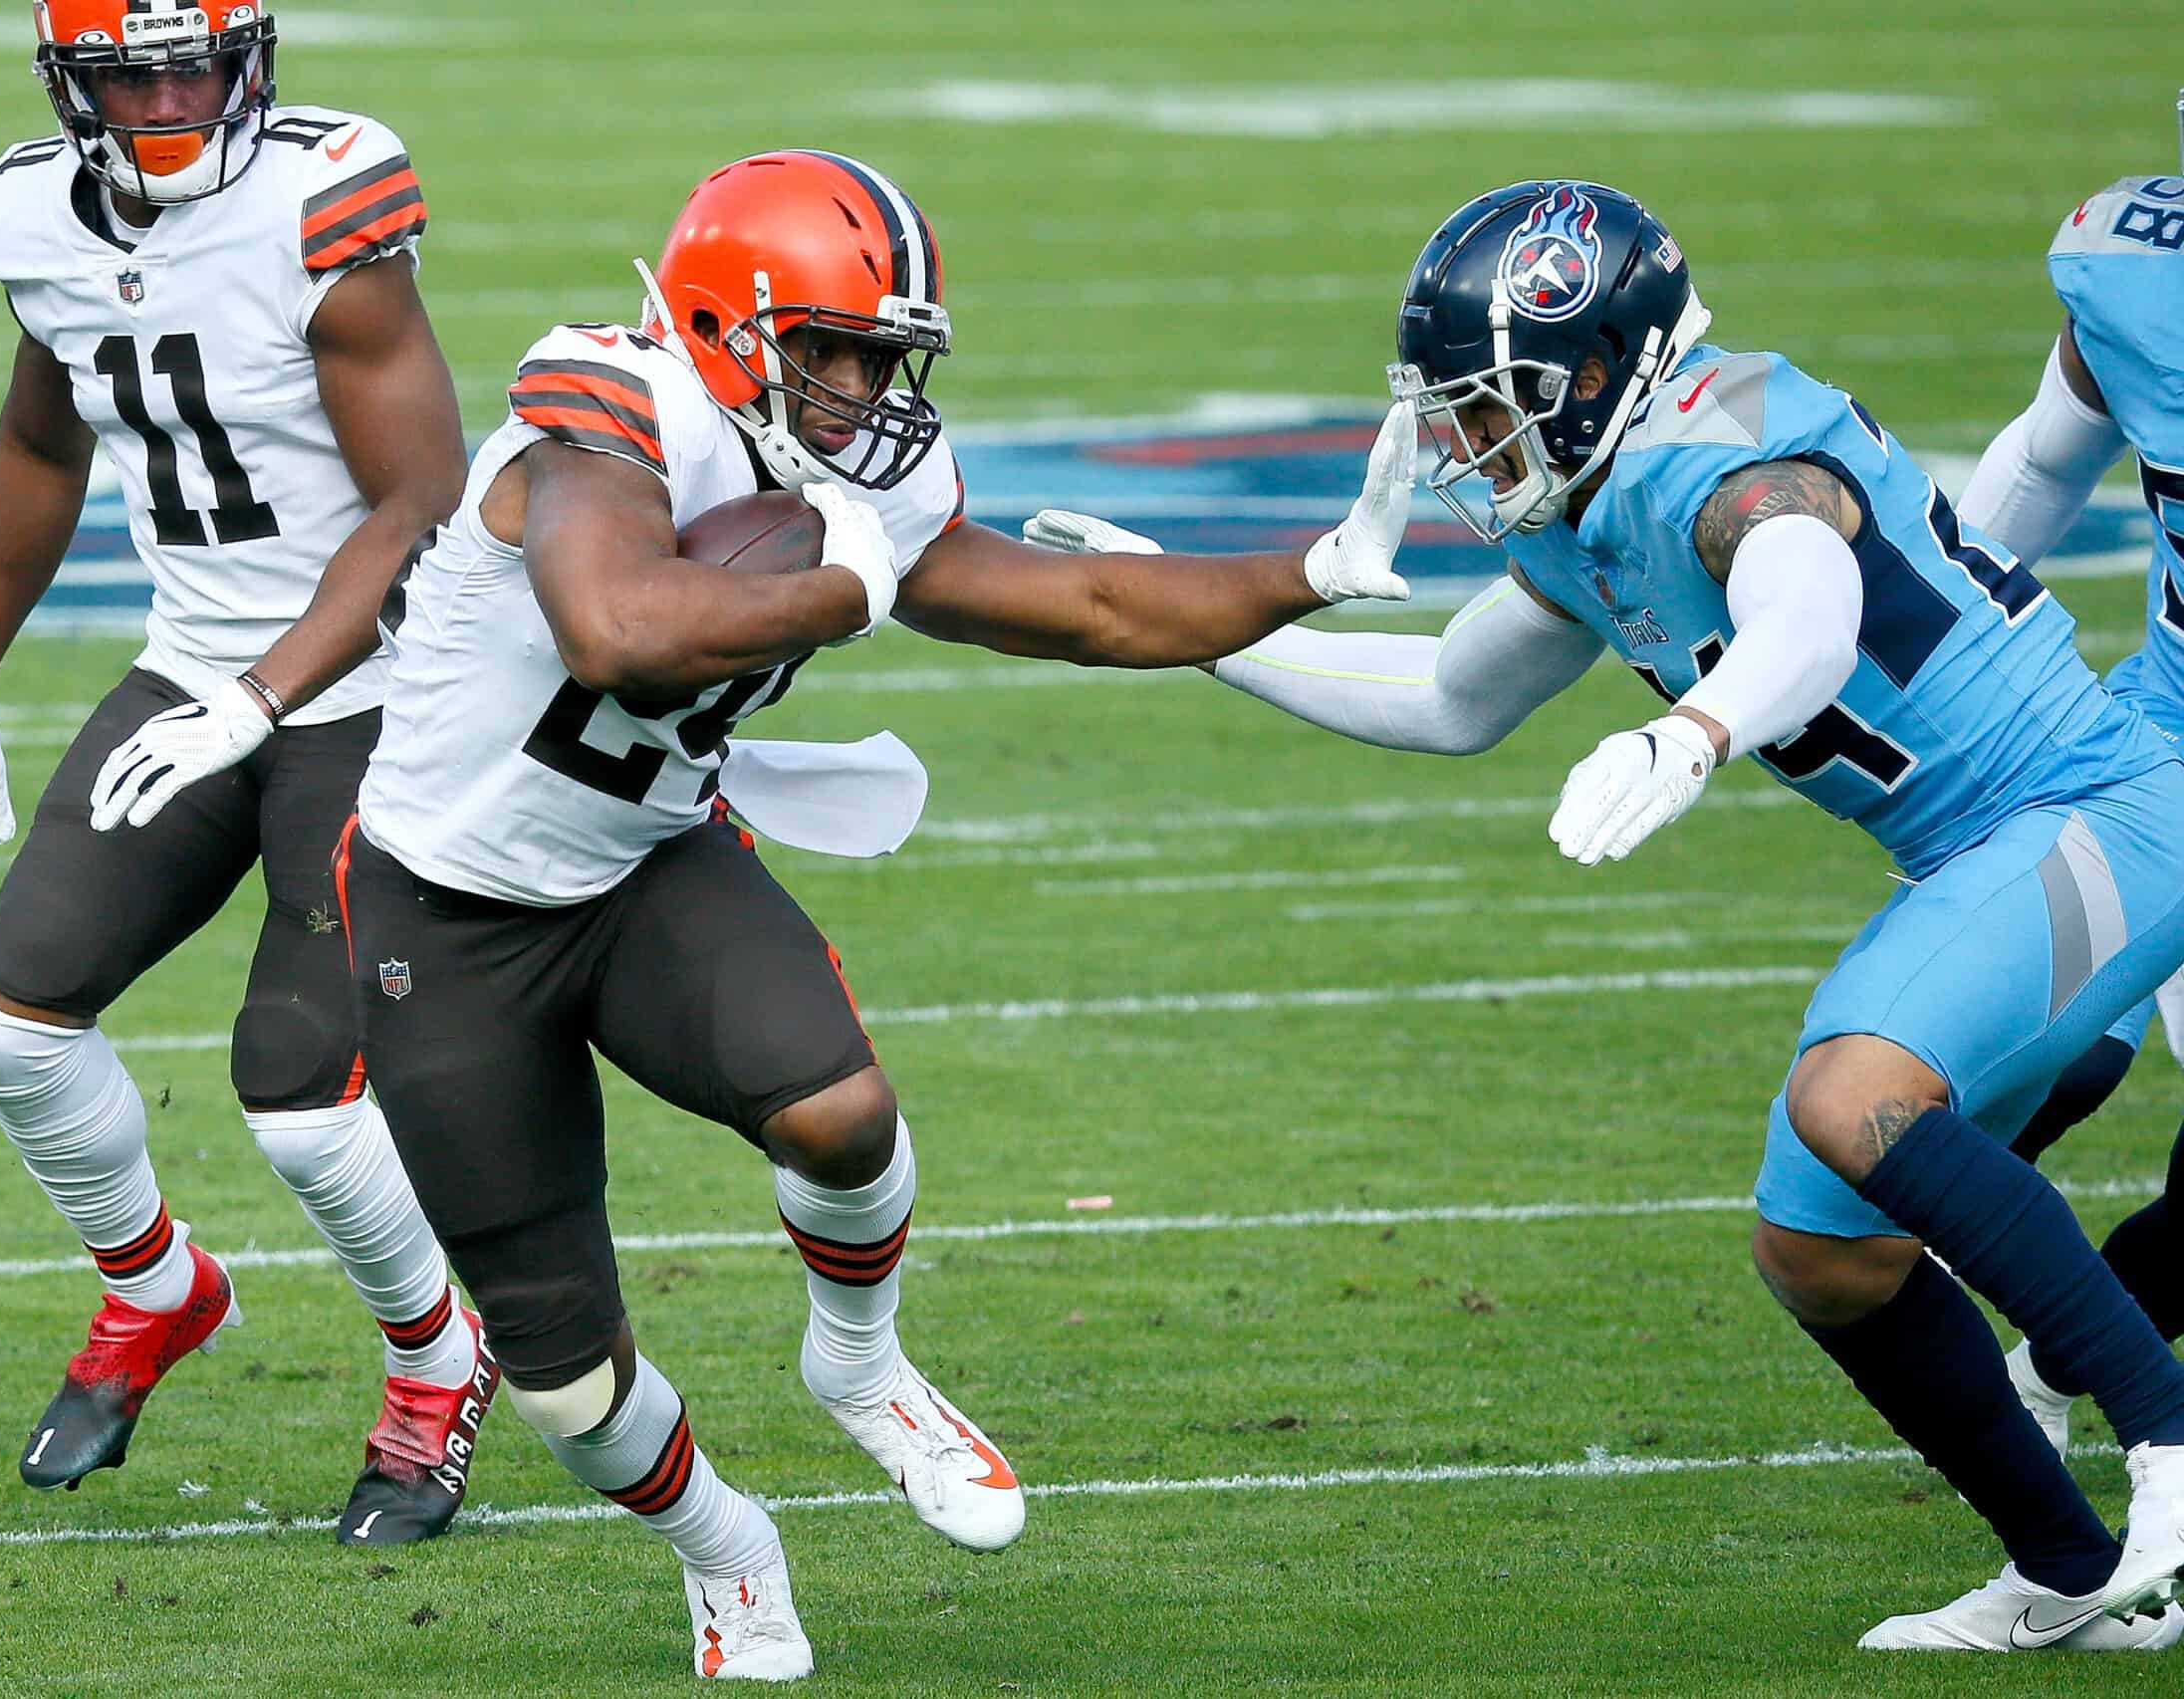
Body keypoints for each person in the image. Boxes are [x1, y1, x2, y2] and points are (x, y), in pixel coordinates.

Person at [1040, 179, 2184, 1652]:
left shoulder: (1717, 456)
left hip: (2102, 808)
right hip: (1980, 849)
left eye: (1487, 402)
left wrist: (1691, 733)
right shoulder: (1587, 510)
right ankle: (2072, 1579)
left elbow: (1808, 607)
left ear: (1600, 373)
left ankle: (2165, 1440)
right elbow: (1453, 699)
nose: (1463, 441)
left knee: (1853, 1094)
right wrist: (1203, 635)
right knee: (1820, 1249)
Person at [337, 148, 1418, 1679]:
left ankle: (859, 1362)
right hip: (445, 911)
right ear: (722, 324)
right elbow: (619, 629)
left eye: (882, 354)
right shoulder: (607, 392)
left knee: (841, 1111)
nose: (861, 389)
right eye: (828, 347)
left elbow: (1091, 611)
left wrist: (1307, 567)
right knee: (569, 1388)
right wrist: (843, 592)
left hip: (643, 862)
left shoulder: (849, 469)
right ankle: (728, 1545)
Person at [0, 0, 489, 1547]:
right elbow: (43, 448)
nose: (172, 93)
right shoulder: (34, 210)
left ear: (251, 57)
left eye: (198, 58)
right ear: (69, 79)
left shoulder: (326, 196)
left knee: (300, 1095)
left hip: (381, 684)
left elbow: (423, 491)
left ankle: (438, 1363)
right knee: (14, 1025)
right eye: (131, 66)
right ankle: (157, 1288)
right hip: (198, 670)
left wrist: (265, 695)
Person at [1956, 134, 2184, 1460]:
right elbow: (2044, 463)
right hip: (2159, 748)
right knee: (2030, 1034)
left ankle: (2053, 1360)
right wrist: (1950, 639)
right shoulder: (2134, 283)